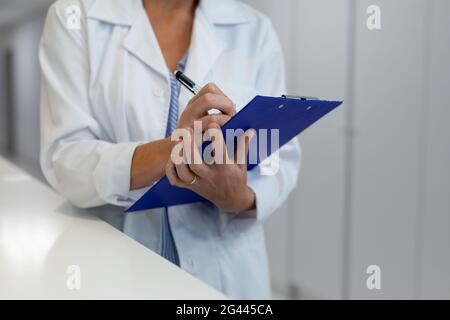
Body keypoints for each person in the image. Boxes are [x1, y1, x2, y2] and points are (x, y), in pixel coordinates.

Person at [39, 0, 301, 299]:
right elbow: (66, 160)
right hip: (113, 267)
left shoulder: (255, 30)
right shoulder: (76, 17)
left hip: (225, 274)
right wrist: (175, 149)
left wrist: (238, 197)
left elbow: (280, 158)